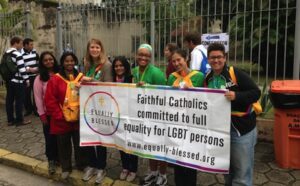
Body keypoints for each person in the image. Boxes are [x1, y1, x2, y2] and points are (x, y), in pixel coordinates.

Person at [204, 43, 260, 186]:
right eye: (212, 57)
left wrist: (236, 96)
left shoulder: (235, 73)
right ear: (208, 59)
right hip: (221, 132)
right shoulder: (208, 78)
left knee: (242, 174)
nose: (216, 60)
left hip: (241, 131)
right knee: (227, 170)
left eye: (219, 57)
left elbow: (256, 93)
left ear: (225, 57)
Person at [45, 52, 87, 179]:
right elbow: (49, 100)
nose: (69, 63)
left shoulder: (81, 77)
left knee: (79, 143)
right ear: (62, 63)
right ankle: (66, 167)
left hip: (78, 118)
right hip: (61, 119)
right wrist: (60, 115)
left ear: (75, 62)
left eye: (72, 61)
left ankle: (81, 164)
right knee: (63, 145)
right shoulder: (55, 79)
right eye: (67, 61)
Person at [167, 49, 204, 186]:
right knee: (178, 159)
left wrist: (193, 90)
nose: (176, 63)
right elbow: (164, 97)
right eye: (174, 61)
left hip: (193, 124)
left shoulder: (199, 76)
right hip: (176, 124)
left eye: (179, 60)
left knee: (190, 161)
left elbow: (206, 99)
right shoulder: (171, 77)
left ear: (186, 58)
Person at [133, 44, 167, 186]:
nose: (143, 57)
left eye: (147, 55)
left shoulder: (156, 73)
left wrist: (147, 87)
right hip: (142, 115)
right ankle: (153, 172)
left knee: (160, 146)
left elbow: (164, 95)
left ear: (151, 57)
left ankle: (163, 174)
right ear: (136, 55)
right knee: (149, 145)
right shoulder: (134, 71)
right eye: (141, 54)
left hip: (157, 116)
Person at [81, 38, 113, 184]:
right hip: (88, 105)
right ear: (88, 49)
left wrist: (91, 81)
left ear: (101, 49)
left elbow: (109, 86)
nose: (94, 50)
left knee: (100, 139)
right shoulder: (86, 64)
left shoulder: (106, 65)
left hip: (101, 106)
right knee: (88, 136)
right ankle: (92, 165)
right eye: (91, 47)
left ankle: (101, 167)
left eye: (97, 47)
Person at [111, 56, 138, 182]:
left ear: (126, 67)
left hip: (130, 116)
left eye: (121, 65)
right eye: (116, 66)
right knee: (121, 143)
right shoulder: (111, 79)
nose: (118, 68)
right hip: (117, 116)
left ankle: (133, 169)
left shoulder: (131, 78)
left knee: (131, 144)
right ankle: (125, 167)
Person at [33, 51, 59, 175]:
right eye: (46, 60)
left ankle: (60, 158)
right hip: (47, 114)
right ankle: (51, 160)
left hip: (60, 113)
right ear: (42, 63)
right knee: (50, 138)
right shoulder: (39, 78)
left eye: (51, 59)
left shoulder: (60, 74)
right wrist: (42, 115)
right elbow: (37, 98)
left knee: (60, 138)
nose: (49, 62)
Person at [5, 36, 31, 126]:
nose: (22, 45)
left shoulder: (6, 53)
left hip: (9, 80)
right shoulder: (17, 54)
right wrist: (27, 79)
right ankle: (20, 120)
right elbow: (21, 68)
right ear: (15, 43)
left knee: (9, 100)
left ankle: (10, 120)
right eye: (21, 43)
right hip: (18, 81)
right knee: (19, 100)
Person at [21, 38, 39, 116]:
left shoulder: (34, 52)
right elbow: (19, 66)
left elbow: (39, 62)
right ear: (25, 45)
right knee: (26, 94)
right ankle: (28, 110)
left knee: (36, 94)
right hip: (26, 77)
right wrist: (28, 69)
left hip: (35, 76)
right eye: (31, 44)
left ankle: (36, 110)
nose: (32, 46)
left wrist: (37, 69)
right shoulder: (20, 54)